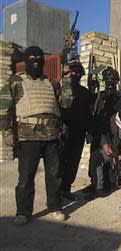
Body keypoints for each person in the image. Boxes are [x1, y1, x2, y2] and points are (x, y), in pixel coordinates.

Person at [0, 46, 73, 225]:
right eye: (31, 57)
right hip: (27, 136)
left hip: (52, 136)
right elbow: (3, 108)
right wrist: (6, 131)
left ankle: (55, 207)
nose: (35, 60)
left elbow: (66, 102)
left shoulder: (50, 82)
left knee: (54, 175)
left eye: (39, 57)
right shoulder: (16, 80)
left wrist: (67, 78)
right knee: (26, 177)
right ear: (26, 60)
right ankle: (23, 212)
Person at [86, 96, 121, 199]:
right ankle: (99, 188)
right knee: (96, 156)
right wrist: (105, 144)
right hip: (115, 150)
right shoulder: (113, 119)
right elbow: (105, 133)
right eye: (120, 110)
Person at [82, 66, 121, 194]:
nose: (109, 82)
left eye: (112, 79)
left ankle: (109, 183)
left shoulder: (120, 96)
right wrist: (91, 89)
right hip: (98, 130)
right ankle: (95, 183)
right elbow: (90, 111)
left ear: (116, 81)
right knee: (95, 158)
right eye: (107, 79)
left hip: (112, 132)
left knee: (109, 159)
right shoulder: (99, 96)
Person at [60, 60, 93, 201]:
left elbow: (88, 114)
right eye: (73, 72)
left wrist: (89, 132)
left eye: (78, 73)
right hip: (63, 132)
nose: (76, 75)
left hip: (78, 133)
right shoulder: (60, 89)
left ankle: (66, 189)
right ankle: (57, 192)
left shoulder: (84, 92)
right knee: (60, 162)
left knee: (73, 162)